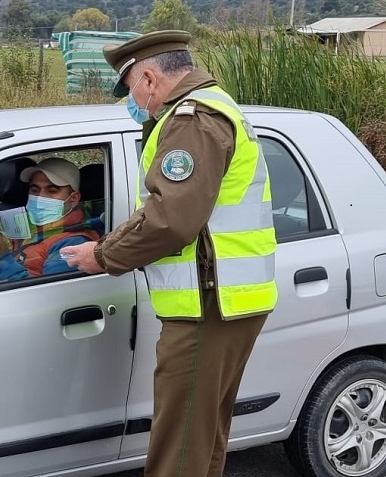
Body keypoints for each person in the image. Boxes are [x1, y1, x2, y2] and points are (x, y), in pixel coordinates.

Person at [62, 30, 278, 477]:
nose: (134, 101)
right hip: (228, 301)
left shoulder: (192, 119)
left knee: (178, 448)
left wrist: (102, 255)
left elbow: (170, 220)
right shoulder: (216, 107)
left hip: (207, 305)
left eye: (131, 91)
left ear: (148, 77)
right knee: (202, 438)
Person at [0, 157, 102, 281]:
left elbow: (45, 296)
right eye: (34, 190)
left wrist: (1, 260)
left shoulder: (74, 243)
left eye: (52, 190)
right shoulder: (21, 226)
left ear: (74, 198)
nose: (40, 197)